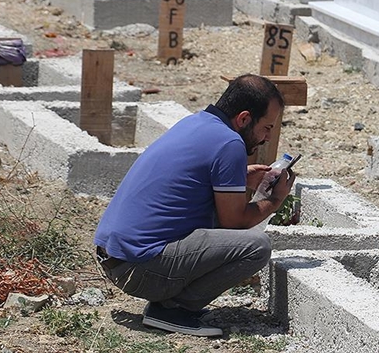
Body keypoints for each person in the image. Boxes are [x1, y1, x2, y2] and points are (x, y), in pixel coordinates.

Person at [93, 74, 295, 336]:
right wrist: (275, 199)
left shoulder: (196, 122)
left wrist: (239, 177)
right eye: (267, 127)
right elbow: (233, 222)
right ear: (244, 118)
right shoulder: (230, 143)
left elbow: (190, 178)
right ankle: (173, 309)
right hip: (137, 270)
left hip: (114, 257)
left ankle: (169, 303)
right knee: (256, 247)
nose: (267, 137)